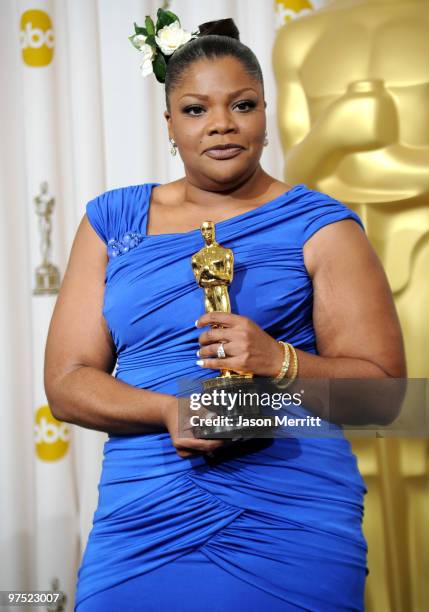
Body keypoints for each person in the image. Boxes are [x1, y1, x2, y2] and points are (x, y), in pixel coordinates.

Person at [44, 10, 406, 612]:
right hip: (143, 518)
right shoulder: (111, 222)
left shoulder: (324, 225)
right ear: (168, 123)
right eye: (195, 109)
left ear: (266, 113)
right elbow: (66, 384)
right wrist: (170, 412)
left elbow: (388, 397)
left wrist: (280, 361)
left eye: (242, 105)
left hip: (291, 519)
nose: (220, 125)